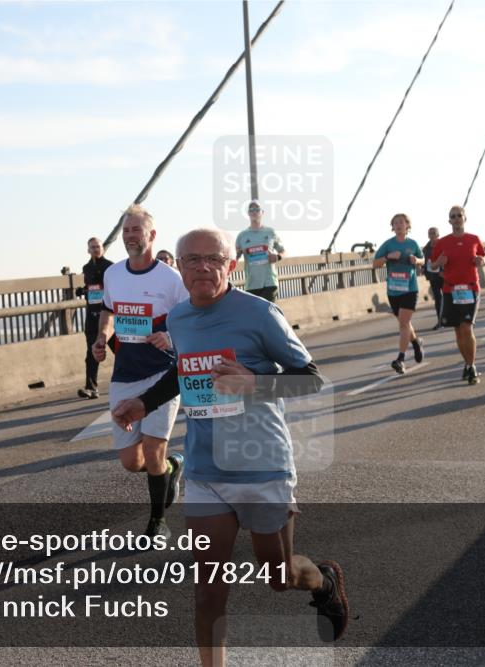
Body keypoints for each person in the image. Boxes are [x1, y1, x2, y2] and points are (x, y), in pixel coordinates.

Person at [111, 228, 350, 662]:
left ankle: (323, 580)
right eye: (193, 259)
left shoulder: (260, 314)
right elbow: (183, 374)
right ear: (178, 267)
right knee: (207, 592)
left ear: (231, 265)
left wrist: (255, 382)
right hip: (207, 474)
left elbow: (311, 378)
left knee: (279, 575)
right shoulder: (179, 318)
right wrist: (142, 403)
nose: (204, 267)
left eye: (214, 259)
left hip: (263, 467)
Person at [92, 205, 189, 539]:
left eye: (137, 229)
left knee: (152, 450)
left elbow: (191, 316)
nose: (131, 236)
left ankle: (157, 522)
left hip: (162, 375)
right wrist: (102, 338)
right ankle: (173, 467)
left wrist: (170, 336)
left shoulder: (170, 278)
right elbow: (108, 312)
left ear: (152, 235)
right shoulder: (113, 275)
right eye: (126, 231)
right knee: (131, 462)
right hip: (125, 374)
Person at [430, 205, 485, 384]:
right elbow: (432, 265)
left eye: (459, 215)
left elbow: (483, 257)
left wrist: (480, 261)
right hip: (450, 290)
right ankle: (467, 364)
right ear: (449, 221)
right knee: (458, 331)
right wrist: (440, 261)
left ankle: (471, 366)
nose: (456, 219)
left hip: (470, 288)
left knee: (466, 328)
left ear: (465, 218)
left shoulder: (474, 239)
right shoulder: (442, 242)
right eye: (453, 216)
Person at [374, 213, 425, 373]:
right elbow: (375, 264)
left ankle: (400, 359)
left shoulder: (413, 244)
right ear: (392, 227)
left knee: (403, 323)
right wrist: (388, 257)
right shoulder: (388, 245)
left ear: (407, 226)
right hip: (394, 290)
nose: (398, 225)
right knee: (405, 323)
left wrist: (416, 261)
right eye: (395, 223)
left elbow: (423, 259)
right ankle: (416, 342)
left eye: (401, 222)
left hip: (410, 289)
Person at [76, 237, 113, 399]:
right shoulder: (86, 268)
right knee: (91, 351)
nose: (95, 249)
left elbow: (111, 288)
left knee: (120, 349)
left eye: (98, 246)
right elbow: (91, 289)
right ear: (88, 250)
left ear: (102, 248)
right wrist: (83, 291)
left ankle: (134, 380)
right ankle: (91, 387)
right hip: (92, 315)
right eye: (92, 247)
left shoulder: (111, 267)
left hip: (109, 315)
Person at [236, 199, 285, 302]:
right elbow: (234, 256)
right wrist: (235, 255)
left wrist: (277, 257)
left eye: (257, 209)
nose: (254, 212)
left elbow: (283, 251)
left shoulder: (270, 232)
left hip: (269, 282)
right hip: (251, 284)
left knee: (267, 314)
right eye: (251, 209)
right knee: (254, 316)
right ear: (248, 213)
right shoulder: (242, 236)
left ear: (262, 212)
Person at [422, 227, 444, 330]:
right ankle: (440, 321)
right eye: (430, 233)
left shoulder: (443, 245)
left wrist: (444, 271)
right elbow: (425, 261)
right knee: (438, 299)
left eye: (434, 233)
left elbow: (448, 257)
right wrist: (423, 269)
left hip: (444, 275)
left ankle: (451, 318)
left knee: (448, 297)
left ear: (438, 234)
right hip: (433, 277)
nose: (432, 235)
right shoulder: (426, 248)